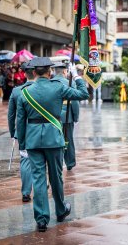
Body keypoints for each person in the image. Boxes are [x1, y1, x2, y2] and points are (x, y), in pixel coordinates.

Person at [16, 57, 89, 232]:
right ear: (49, 72)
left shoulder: (24, 92)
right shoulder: (57, 87)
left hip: (33, 140)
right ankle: (61, 209)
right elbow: (83, 94)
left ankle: (41, 219)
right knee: (56, 177)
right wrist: (76, 76)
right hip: (54, 139)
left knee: (39, 179)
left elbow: (20, 121)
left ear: (33, 73)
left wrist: (22, 145)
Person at [8, 61, 35, 202]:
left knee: (25, 162)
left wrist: (13, 132)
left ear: (25, 74)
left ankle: (25, 192)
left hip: (23, 132)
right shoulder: (43, 89)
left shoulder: (16, 91)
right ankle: (42, 186)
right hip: (40, 131)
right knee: (41, 161)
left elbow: (11, 115)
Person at [51, 62, 80, 171]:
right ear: (64, 71)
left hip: (52, 116)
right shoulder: (70, 83)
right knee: (68, 140)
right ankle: (70, 163)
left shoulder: (50, 83)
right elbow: (75, 102)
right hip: (67, 116)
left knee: (55, 140)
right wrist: (76, 116)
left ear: (54, 72)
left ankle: (56, 162)